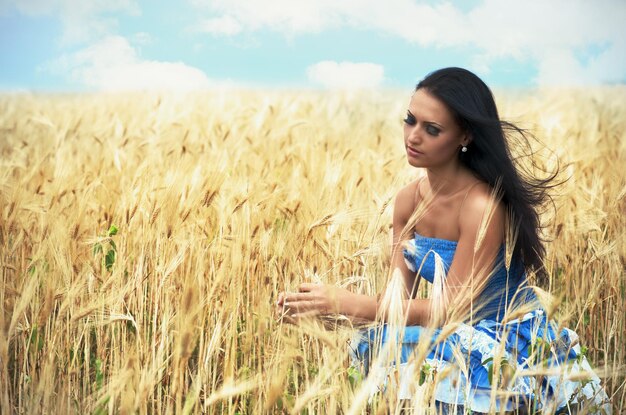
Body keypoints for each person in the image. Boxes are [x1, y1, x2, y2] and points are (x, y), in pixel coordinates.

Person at [276, 67, 610, 414]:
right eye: (410, 120)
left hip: (501, 340)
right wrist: (322, 311)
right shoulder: (407, 202)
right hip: (450, 334)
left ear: (464, 137)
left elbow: (452, 309)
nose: (413, 136)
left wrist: (347, 303)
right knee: (375, 341)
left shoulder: (481, 207)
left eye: (431, 129)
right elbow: (394, 303)